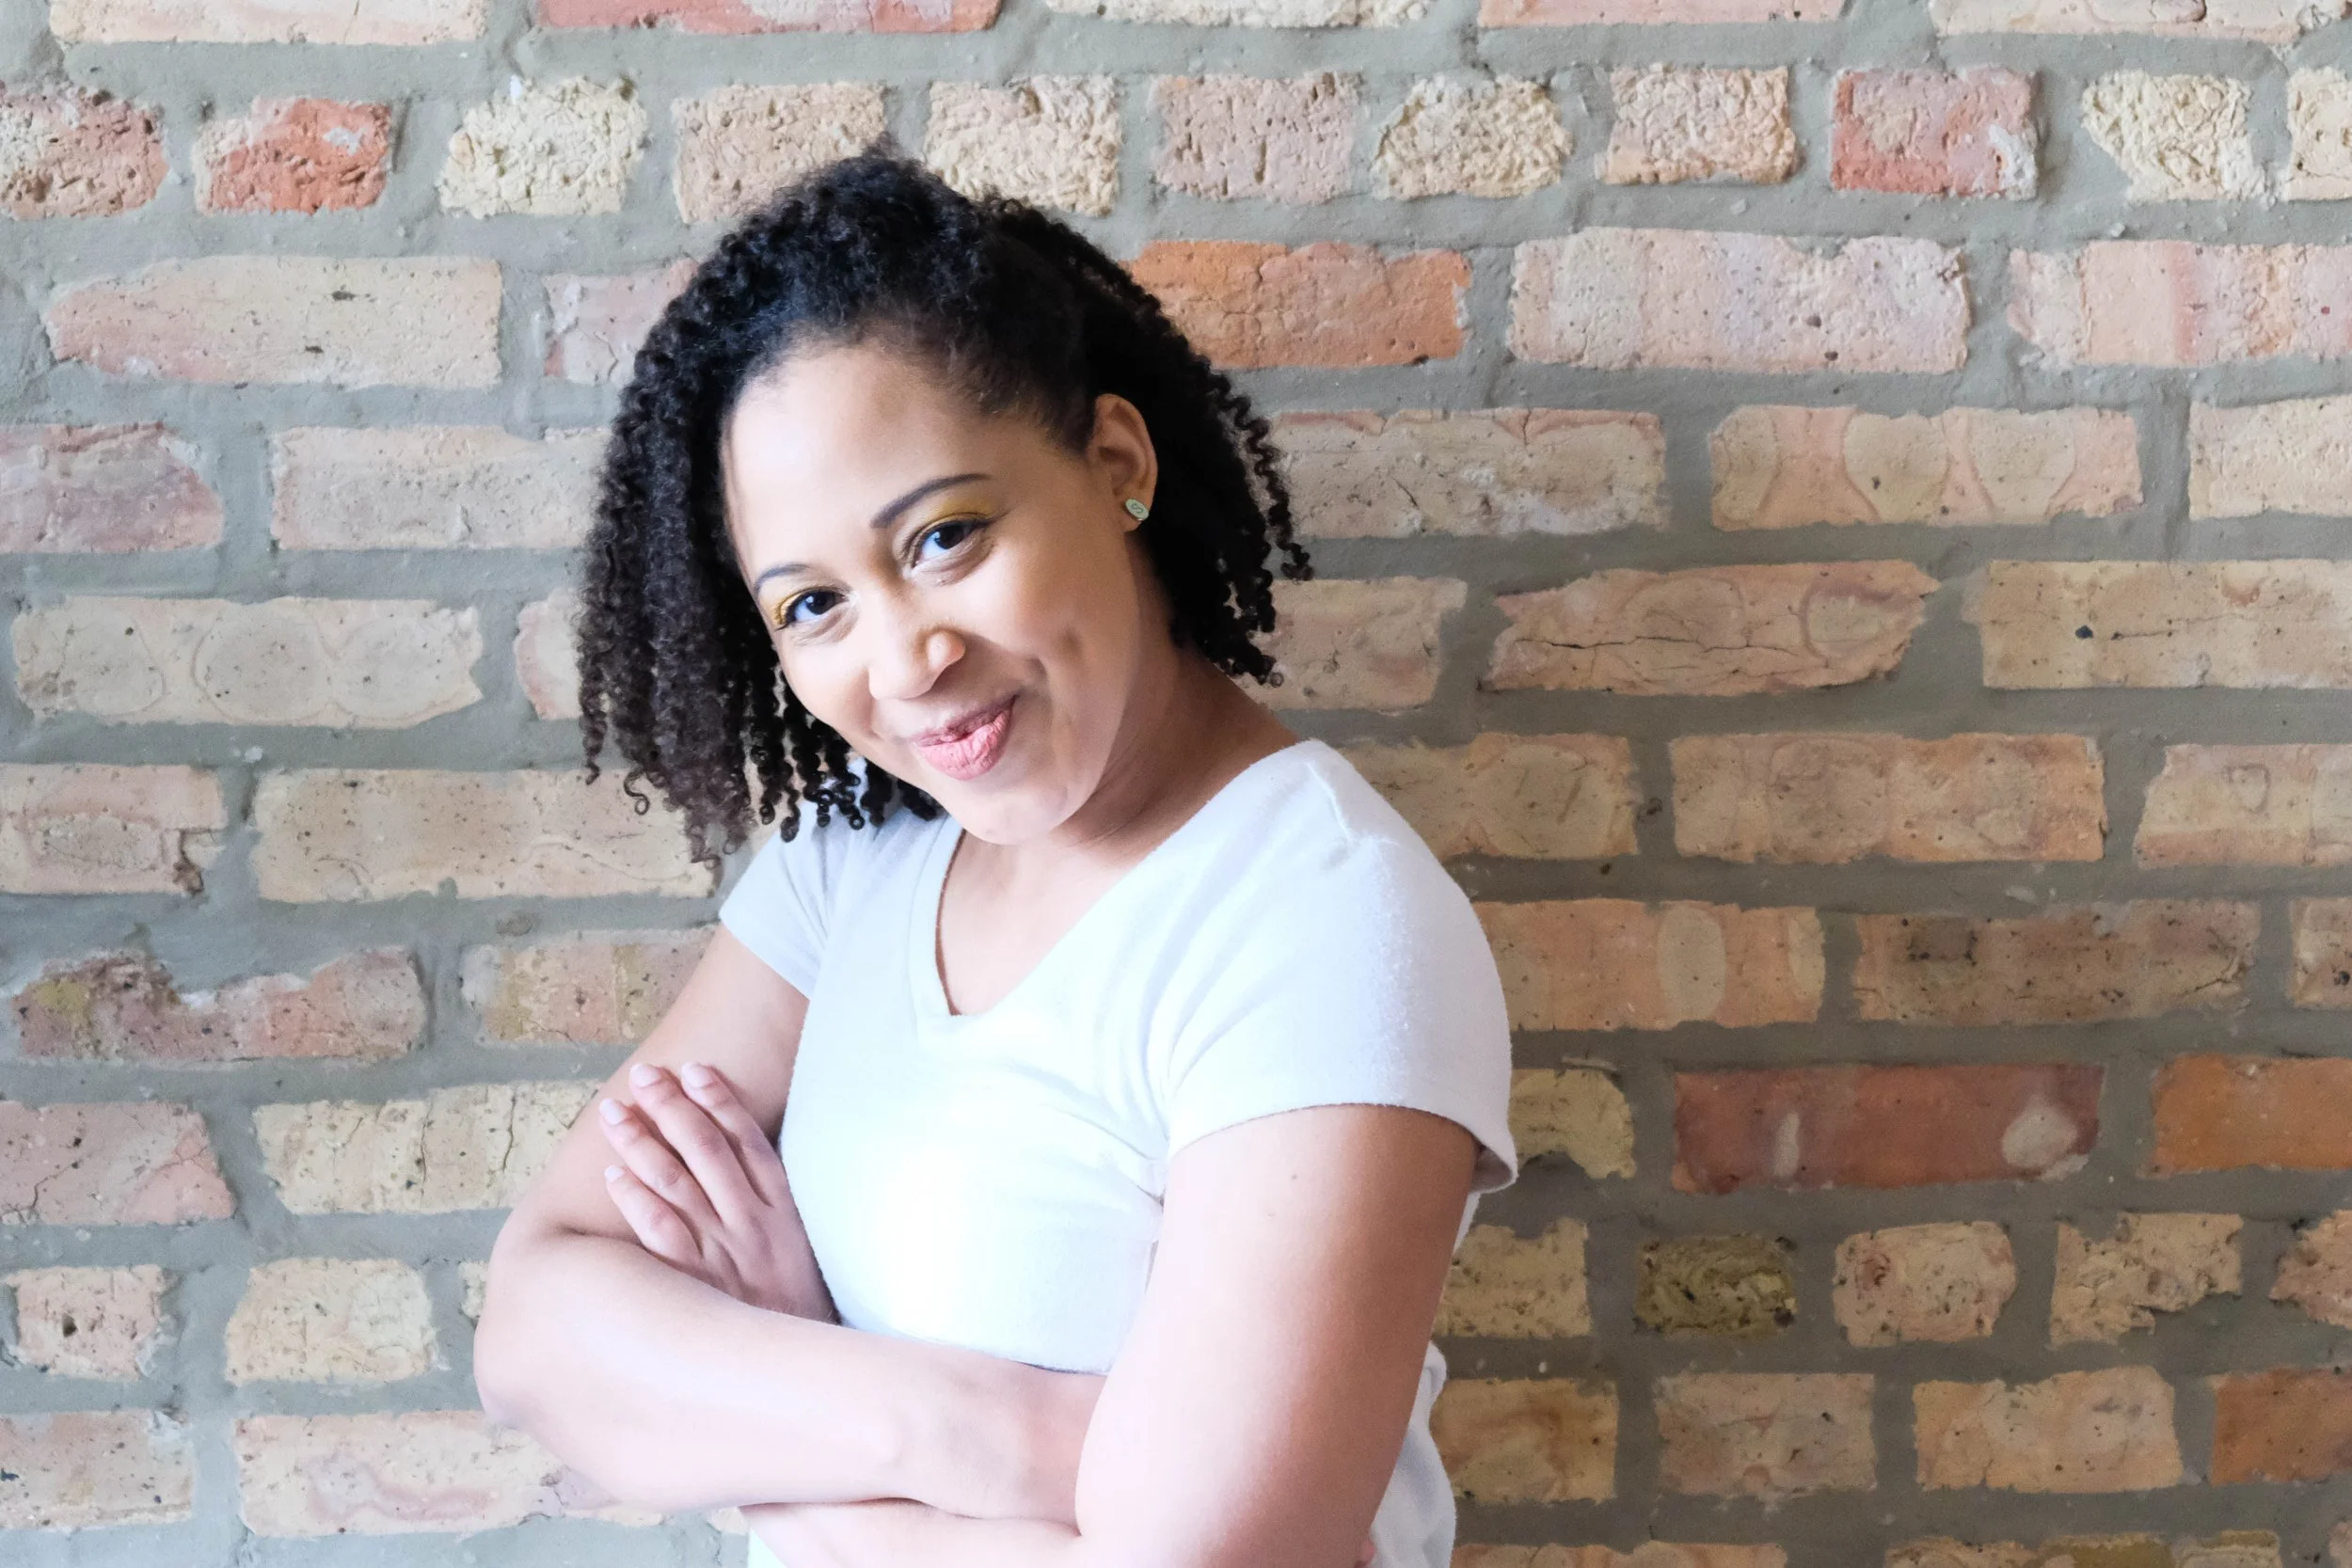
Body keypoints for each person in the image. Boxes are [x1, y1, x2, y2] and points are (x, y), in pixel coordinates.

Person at [472, 150, 1518, 1568]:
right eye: (813, 604)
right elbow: (533, 1328)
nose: (907, 661)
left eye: (945, 537)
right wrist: (973, 1434)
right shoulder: (850, 863)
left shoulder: (1326, 926)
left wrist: (757, 1442)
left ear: (1117, 466)